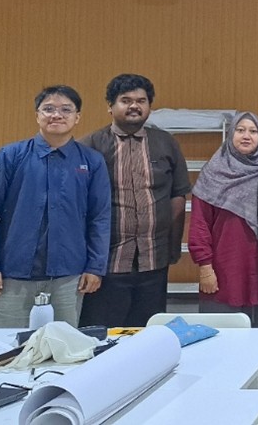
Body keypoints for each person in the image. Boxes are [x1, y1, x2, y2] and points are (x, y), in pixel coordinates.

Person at [0, 85, 111, 328]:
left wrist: (95, 267)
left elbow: (100, 217)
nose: (56, 115)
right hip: (12, 273)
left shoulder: (92, 161)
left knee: (62, 343)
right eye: (48, 109)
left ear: (77, 117)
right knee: (2, 344)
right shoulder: (9, 156)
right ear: (37, 115)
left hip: (69, 275)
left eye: (66, 110)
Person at [79, 73, 190, 328]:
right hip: (107, 263)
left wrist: (172, 247)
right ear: (110, 106)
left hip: (154, 260)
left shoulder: (166, 143)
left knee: (148, 333)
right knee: (104, 334)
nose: (134, 106)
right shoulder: (90, 146)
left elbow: (177, 196)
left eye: (141, 101)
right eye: (125, 100)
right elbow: (78, 206)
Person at [188, 111, 258, 386]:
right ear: (231, 134)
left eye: (253, 131)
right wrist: (205, 267)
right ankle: (219, 392)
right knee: (221, 337)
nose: (247, 136)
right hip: (222, 270)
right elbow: (200, 225)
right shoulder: (212, 174)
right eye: (240, 130)